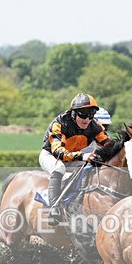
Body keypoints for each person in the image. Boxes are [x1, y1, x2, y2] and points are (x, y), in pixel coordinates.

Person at [40, 93, 112, 224]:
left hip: (74, 157)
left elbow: (110, 145)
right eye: (83, 115)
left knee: (91, 169)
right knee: (59, 168)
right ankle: (54, 208)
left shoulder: (95, 126)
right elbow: (58, 153)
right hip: (51, 155)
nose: (87, 120)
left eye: (91, 116)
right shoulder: (60, 123)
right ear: (74, 113)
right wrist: (82, 156)